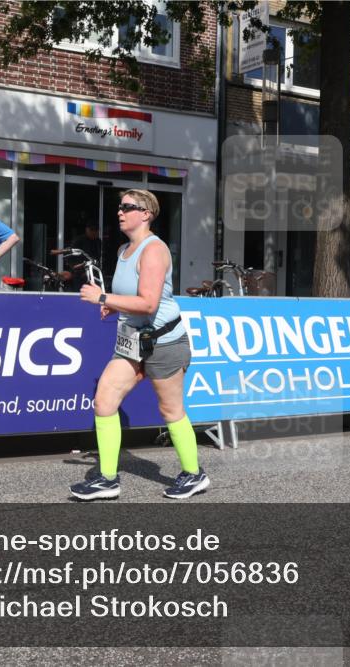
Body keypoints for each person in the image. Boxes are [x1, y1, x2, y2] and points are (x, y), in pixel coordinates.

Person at [71, 189, 209, 501]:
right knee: (104, 400)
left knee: (170, 409)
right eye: (119, 207)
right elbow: (133, 299)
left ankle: (194, 474)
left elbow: (148, 304)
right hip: (132, 342)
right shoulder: (124, 250)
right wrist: (116, 306)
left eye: (128, 207)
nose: (120, 212)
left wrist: (102, 297)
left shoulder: (154, 250)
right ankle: (107, 479)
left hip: (165, 342)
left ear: (146, 214)